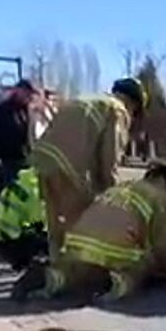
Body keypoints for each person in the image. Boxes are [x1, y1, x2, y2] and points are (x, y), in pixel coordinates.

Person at [16, 160, 166, 303]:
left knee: (70, 272)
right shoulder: (161, 198)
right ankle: (112, 283)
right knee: (144, 262)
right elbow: (164, 250)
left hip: (76, 243)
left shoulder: (121, 188)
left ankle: (49, 278)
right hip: (111, 252)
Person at [31, 78, 147, 262]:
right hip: (68, 164)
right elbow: (109, 159)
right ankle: (75, 272)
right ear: (133, 103)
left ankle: (56, 265)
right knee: (78, 221)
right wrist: (112, 198)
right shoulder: (117, 110)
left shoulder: (90, 100)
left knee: (55, 222)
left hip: (43, 158)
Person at [0, 80, 39, 185]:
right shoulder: (3, 109)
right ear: (18, 91)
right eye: (27, 93)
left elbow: (31, 135)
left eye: (31, 94)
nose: (30, 96)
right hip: (9, 161)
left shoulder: (30, 111)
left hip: (27, 161)